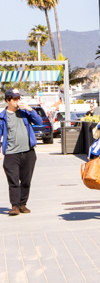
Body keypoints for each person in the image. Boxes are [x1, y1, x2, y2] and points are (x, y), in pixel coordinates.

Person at [3, 87, 47, 216]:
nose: (17, 101)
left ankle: (23, 204)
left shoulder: (25, 113)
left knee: (26, 180)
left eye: (18, 98)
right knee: (13, 181)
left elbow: (39, 122)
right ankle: (14, 206)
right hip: (11, 154)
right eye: (15, 99)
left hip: (28, 152)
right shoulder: (2, 117)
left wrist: (30, 109)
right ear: (8, 100)